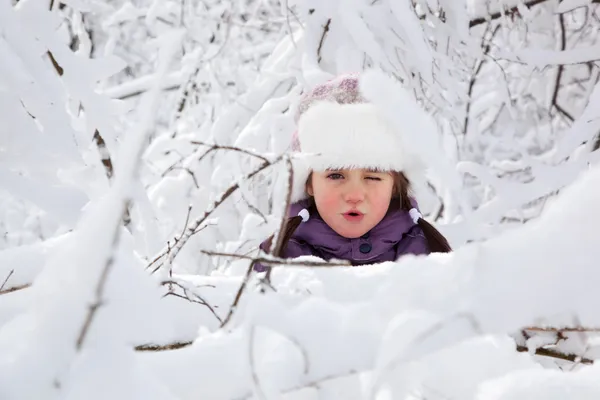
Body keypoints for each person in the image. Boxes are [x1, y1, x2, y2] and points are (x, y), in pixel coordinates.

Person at [255, 73, 450, 272]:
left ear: (395, 186)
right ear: (309, 183)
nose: (354, 195)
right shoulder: (280, 258)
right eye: (336, 175)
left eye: (373, 176)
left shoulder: (427, 256)